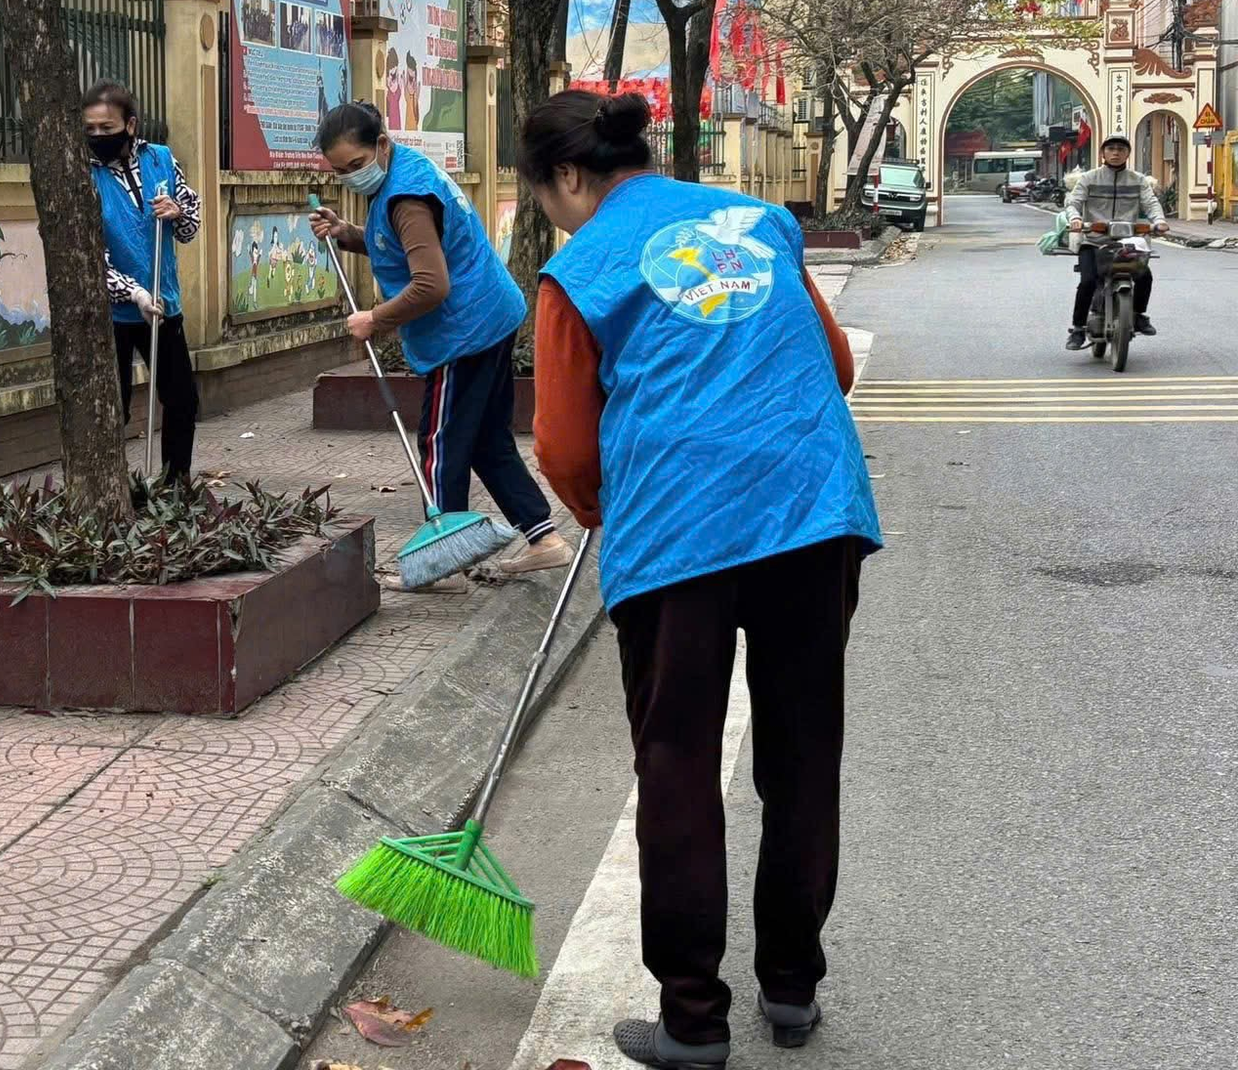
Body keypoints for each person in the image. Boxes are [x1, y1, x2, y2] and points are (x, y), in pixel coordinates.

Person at [516, 89, 881, 1069]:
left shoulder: (577, 270)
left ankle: (691, 1020)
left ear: (562, 177)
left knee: (676, 756)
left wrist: (601, 504)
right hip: (810, 508)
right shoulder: (755, 221)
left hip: (679, 529)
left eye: (539, 193)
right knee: (801, 750)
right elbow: (831, 364)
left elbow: (559, 444)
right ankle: (792, 985)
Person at [310, 100, 574, 580]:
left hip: (464, 332)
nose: (350, 176)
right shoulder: (404, 171)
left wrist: (376, 318)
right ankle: (544, 537)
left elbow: (431, 284)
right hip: (491, 315)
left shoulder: (406, 196)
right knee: (486, 441)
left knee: (440, 443)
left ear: (382, 145)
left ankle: (444, 565)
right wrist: (349, 233)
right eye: (340, 170)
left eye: (356, 164)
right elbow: (406, 242)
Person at [84, 81, 201, 481]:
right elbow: (88, 258)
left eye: (107, 127)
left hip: (164, 304)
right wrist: (132, 292)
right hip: (114, 312)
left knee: (182, 398)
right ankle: (110, 488)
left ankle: (175, 483)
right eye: (91, 129)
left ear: (130, 125)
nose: (98, 136)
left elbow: (189, 226)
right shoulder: (84, 176)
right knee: (111, 405)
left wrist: (178, 212)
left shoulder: (161, 161)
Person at [1064, 134, 1167, 350]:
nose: (1116, 153)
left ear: (1128, 154)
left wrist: (1159, 221)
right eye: (1111, 149)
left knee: (1145, 276)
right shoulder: (1089, 178)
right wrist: (1075, 219)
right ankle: (1078, 329)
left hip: (1127, 242)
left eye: (1121, 149)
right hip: (1093, 241)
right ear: (1103, 153)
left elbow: (1151, 203)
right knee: (1088, 282)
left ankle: (1138, 315)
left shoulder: (1138, 180)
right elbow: (1073, 203)